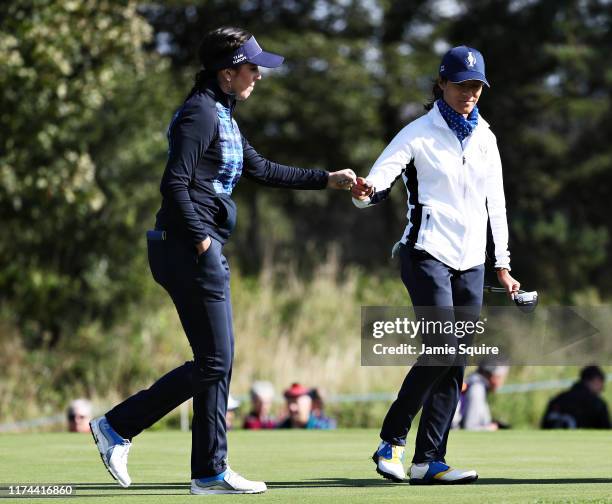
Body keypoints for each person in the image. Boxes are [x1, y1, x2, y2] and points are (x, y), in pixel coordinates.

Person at [89, 26, 356, 495]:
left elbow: (263, 169)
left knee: (217, 361)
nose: (259, 76)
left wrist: (326, 179)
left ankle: (205, 469)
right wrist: (201, 241)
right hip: (188, 247)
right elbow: (174, 183)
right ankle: (121, 428)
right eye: (253, 68)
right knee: (216, 361)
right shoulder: (199, 114)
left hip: (195, 246)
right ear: (227, 73)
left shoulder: (223, 115)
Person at [352, 46, 520, 485]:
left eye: (477, 86)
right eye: (462, 85)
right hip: (426, 252)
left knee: (456, 357)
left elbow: (496, 204)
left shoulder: (486, 136)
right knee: (443, 347)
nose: (470, 93)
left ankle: (430, 460)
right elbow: (379, 180)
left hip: (472, 262)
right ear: (442, 84)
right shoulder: (417, 133)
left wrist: (502, 264)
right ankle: (391, 440)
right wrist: (363, 192)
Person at [541, 365, 610, 429]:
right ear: (596, 380)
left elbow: (544, 426)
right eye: (601, 383)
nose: (602, 389)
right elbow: (606, 430)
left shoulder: (558, 399)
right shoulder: (598, 404)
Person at [454, 361, 510, 431]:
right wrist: (491, 428)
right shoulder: (477, 388)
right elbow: (470, 427)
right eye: (501, 377)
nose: (502, 382)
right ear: (493, 376)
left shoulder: (475, 384)